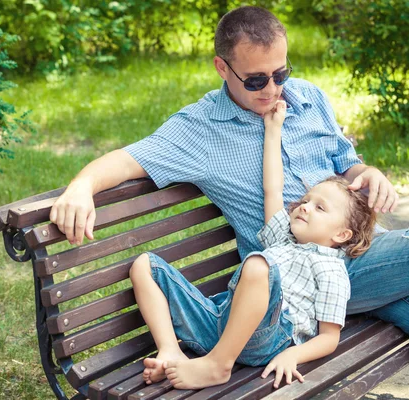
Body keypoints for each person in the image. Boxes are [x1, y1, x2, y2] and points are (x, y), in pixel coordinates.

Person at [49, 6, 409, 398]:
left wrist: (366, 174)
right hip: (297, 282)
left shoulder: (307, 98)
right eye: (256, 79)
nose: (273, 88)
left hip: (359, 255)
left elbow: (347, 164)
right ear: (222, 68)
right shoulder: (200, 129)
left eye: (280, 73)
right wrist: (81, 186)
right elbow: (131, 158)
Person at [128, 100, 377, 389]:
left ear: (342, 235)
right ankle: (171, 351)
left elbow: (328, 338)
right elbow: (273, 187)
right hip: (220, 324)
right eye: (307, 201)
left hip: (268, 336)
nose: (305, 207)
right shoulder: (282, 236)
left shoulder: (332, 269)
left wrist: (293, 355)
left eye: (320, 209)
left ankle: (219, 365)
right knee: (144, 265)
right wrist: (273, 130)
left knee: (258, 264)